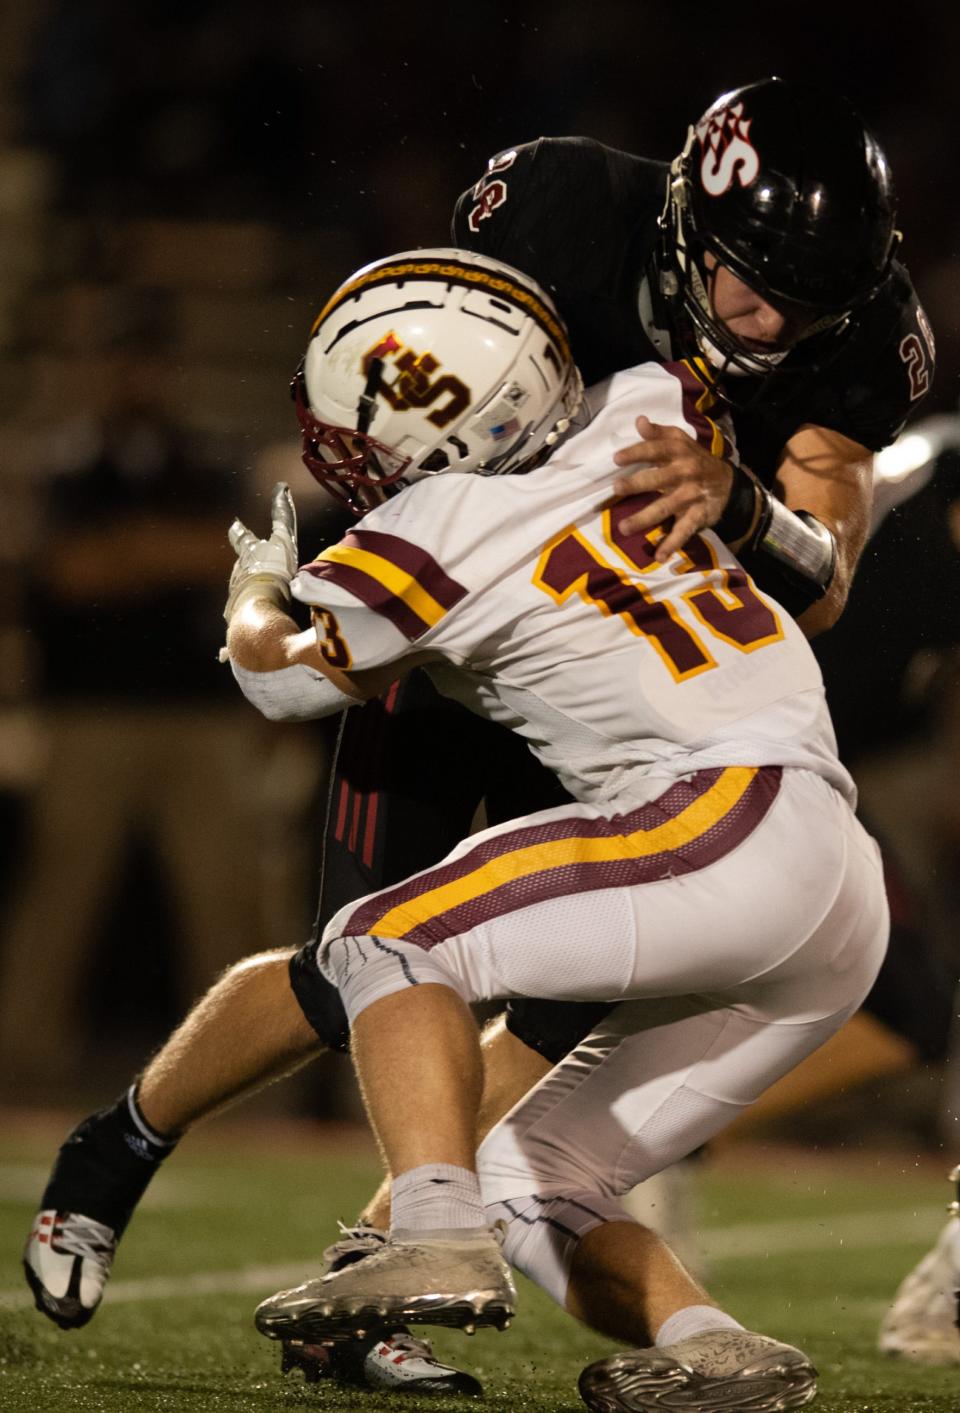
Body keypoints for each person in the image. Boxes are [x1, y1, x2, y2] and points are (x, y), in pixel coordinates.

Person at [23, 75, 928, 1396]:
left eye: (809, 303)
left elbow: (826, 566)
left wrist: (737, 507)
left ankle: (392, 1260)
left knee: (504, 996)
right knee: (364, 975)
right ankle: (116, 1154)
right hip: (481, 639)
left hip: (652, 715)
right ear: (676, 227)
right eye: (745, 282)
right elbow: (447, 395)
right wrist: (370, 590)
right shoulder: (563, 234)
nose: (774, 322)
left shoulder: (792, 363)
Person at [216, 248, 886, 1413]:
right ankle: (712, 1348)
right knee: (535, 1171)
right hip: (834, 883)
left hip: (724, 814)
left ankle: (429, 1232)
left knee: (377, 939)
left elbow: (280, 682)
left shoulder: (433, 522)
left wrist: (255, 595)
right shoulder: (644, 406)